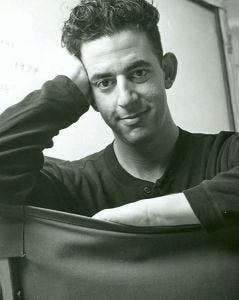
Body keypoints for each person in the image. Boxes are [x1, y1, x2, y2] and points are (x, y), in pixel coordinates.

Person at [0, 0, 238, 232]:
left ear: (167, 71)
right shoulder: (71, 185)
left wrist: (147, 216)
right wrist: (67, 91)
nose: (125, 98)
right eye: (105, 82)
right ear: (90, 96)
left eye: (139, 72)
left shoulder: (226, 154)